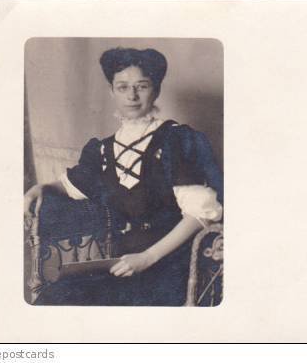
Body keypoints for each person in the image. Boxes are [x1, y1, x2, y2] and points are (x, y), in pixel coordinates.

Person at [23, 47, 223, 306]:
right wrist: (40, 188)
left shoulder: (176, 140)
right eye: (122, 87)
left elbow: (199, 216)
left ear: (157, 89)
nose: (132, 96)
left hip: (170, 264)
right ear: (111, 91)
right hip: (121, 262)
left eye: (142, 86)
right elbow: (72, 186)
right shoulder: (103, 150)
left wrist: (147, 258)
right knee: (57, 295)